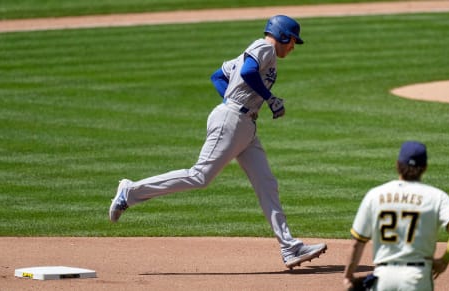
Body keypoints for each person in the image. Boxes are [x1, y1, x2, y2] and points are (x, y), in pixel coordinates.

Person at [109, 15, 327, 269]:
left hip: (244, 125)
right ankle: (130, 191)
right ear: (282, 36)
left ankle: (289, 247)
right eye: (292, 41)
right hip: (232, 121)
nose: (292, 47)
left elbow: (218, 76)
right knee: (200, 176)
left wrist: (238, 100)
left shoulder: (255, 52)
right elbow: (246, 72)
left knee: (266, 183)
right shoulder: (264, 47)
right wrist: (262, 100)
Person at [343, 141, 449, 290]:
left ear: (397, 165)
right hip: (417, 278)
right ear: (425, 168)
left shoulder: (375, 195)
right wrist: (444, 261)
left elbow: (357, 242)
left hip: (383, 278)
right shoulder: (436, 197)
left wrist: (348, 276)